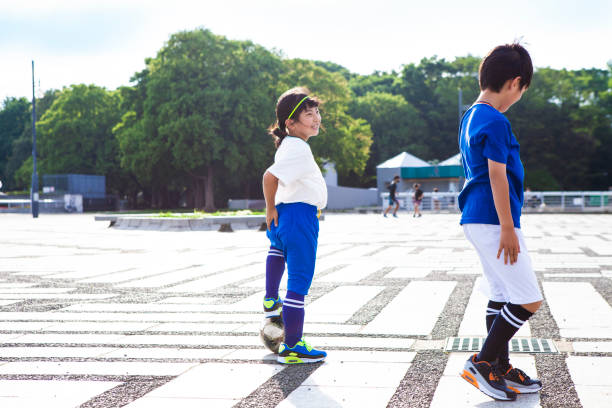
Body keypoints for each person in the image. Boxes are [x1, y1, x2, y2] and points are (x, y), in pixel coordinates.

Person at [458, 43, 542, 401]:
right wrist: (508, 226)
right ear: (515, 83)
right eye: (522, 90)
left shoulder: (472, 115)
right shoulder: (495, 119)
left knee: (501, 294)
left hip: (478, 217)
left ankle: (499, 368)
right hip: (494, 219)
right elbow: (497, 175)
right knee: (528, 299)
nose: (519, 97)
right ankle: (482, 361)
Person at [262, 87, 327, 364]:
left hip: (287, 214)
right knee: (299, 282)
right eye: (308, 115)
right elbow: (269, 176)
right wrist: (269, 207)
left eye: (317, 113)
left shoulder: (288, 146)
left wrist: (274, 209)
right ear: (290, 123)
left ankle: (269, 298)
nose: (316, 119)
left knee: (277, 251)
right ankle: (292, 345)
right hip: (300, 216)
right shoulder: (298, 148)